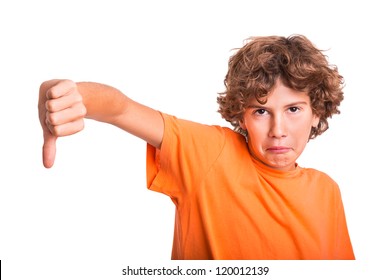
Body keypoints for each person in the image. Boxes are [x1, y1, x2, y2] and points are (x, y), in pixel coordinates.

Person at [38, 34, 355, 260]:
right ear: (241, 116)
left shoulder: (327, 191)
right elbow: (121, 109)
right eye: (261, 111)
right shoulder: (211, 153)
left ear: (317, 113)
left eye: (293, 110)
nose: (278, 131)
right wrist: (69, 95)